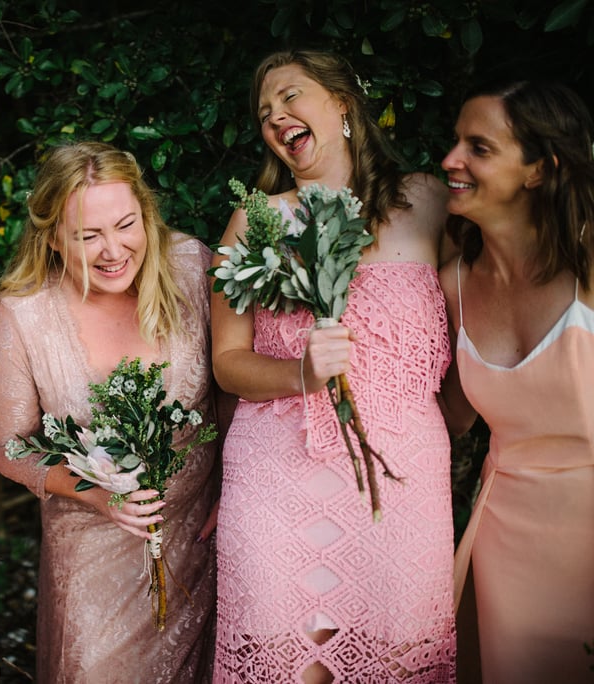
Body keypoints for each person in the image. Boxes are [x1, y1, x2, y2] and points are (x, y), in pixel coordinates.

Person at [210, 50, 456, 682]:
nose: (276, 118)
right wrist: (302, 376)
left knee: (395, 655)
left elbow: (476, 323)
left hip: (402, 471)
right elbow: (228, 362)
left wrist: (437, 429)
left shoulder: (428, 201)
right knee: (291, 661)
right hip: (280, 466)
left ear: (342, 105)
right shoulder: (255, 220)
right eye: (265, 112)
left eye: (291, 97)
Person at [0, 141, 219, 682]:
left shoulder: (190, 268)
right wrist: (99, 495)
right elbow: (6, 445)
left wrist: (239, 489)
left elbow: (231, 385)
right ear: (54, 239)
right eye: (88, 235)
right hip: (93, 552)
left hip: (203, 538)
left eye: (126, 224)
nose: (113, 250)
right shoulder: (25, 314)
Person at [439, 80, 594, 684]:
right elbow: (448, 418)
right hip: (504, 538)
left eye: (479, 147)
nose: (451, 160)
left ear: (538, 170)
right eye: (455, 142)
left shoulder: (588, 263)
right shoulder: (453, 283)